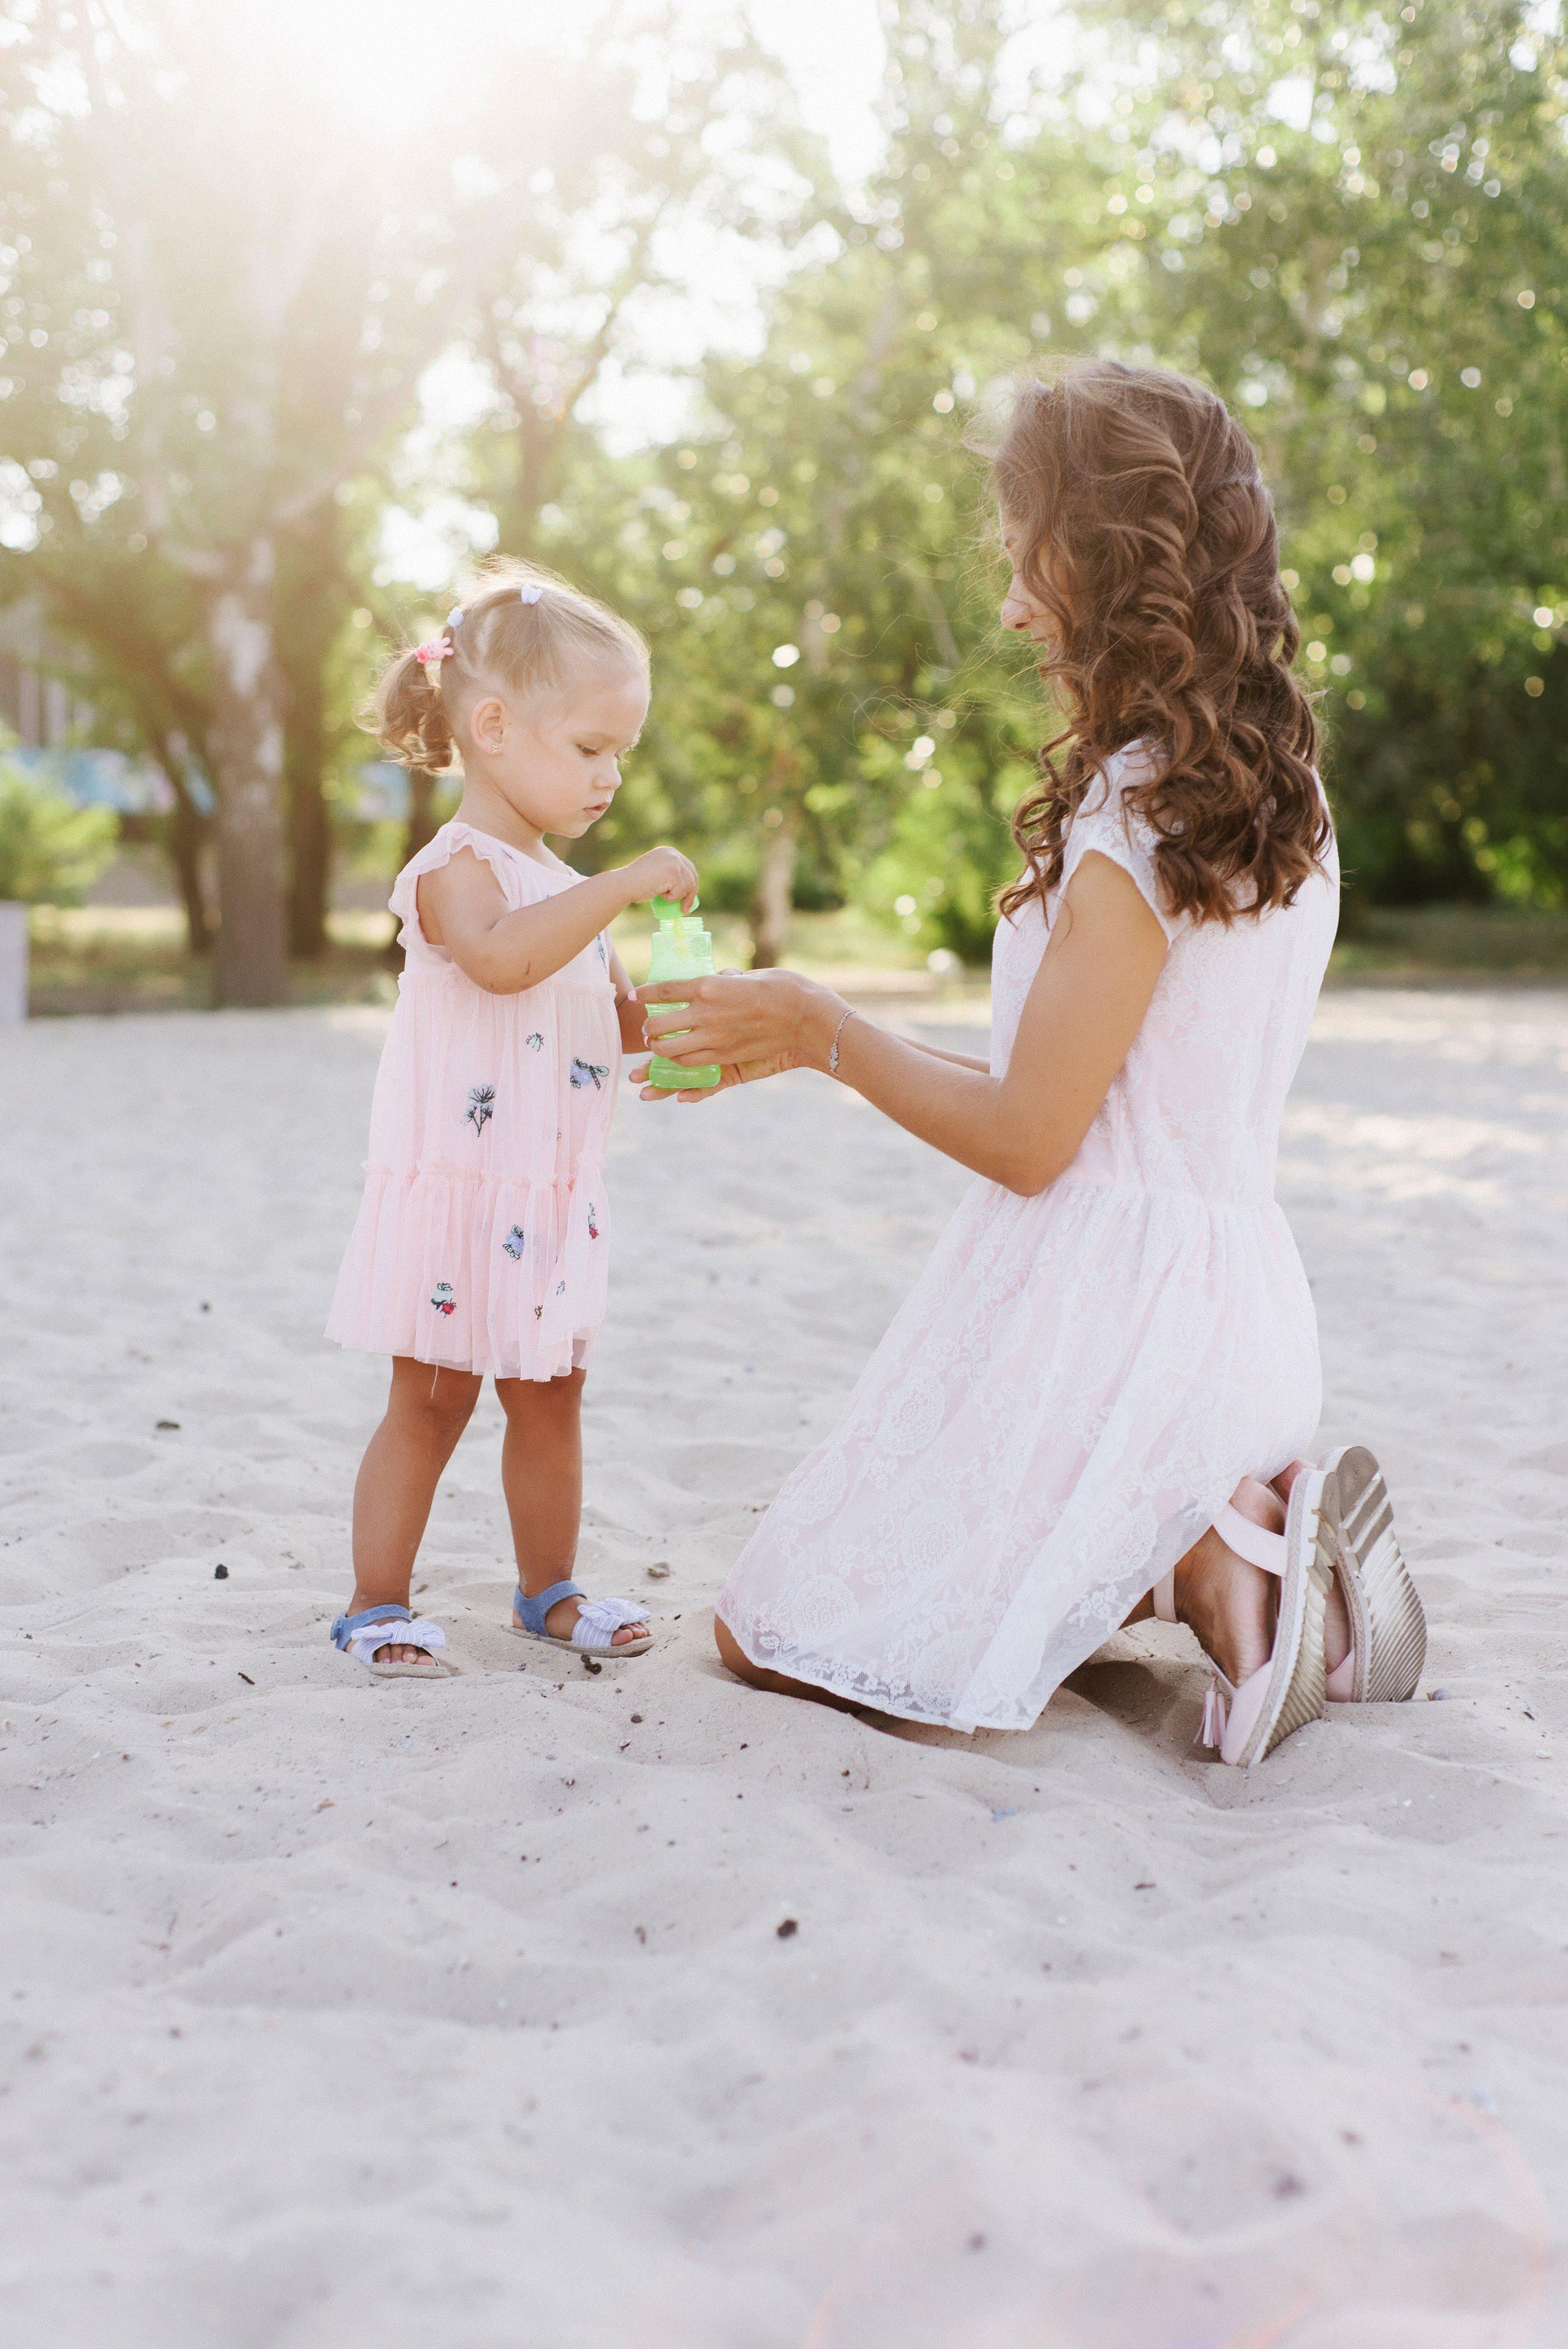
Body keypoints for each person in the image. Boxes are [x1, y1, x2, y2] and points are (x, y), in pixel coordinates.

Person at [638, 360, 1426, 1766]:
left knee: (768, 1632)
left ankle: (1214, 1560)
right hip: (1228, 1314)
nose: (1009, 606)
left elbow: (1031, 1141)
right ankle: (1228, 1535)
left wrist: (823, 1031)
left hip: (1104, 1336)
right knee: (867, 1595)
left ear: (1115, 569)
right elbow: (1110, 1092)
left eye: (1026, 564)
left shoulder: (1140, 814)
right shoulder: (1273, 794)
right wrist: (809, 1040)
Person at [326, 562, 698, 1676]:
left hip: (551, 1192)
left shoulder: (566, 887)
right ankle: (375, 1601)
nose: (612, 776)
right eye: (591, 748)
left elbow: (607, 1017)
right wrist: (624, 883)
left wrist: (684, 1032)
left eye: (621, 752)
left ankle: (550, 1587)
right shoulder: (458, 872)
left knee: (552, 1398)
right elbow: (498, 963)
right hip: (461, 1189)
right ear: (491, 726)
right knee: (432, 1400)